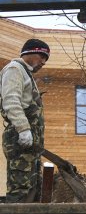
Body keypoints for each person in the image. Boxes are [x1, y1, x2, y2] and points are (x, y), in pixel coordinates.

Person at [0, 39, 50, 203]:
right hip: (20, 140)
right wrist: (23, 129)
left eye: (46, 58)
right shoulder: (15, 69)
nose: (43, 62)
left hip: (30, 146)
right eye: (41, 55)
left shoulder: (26, 74)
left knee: (31, 188)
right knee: (20, 189)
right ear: (28, 52)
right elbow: (11, 101)